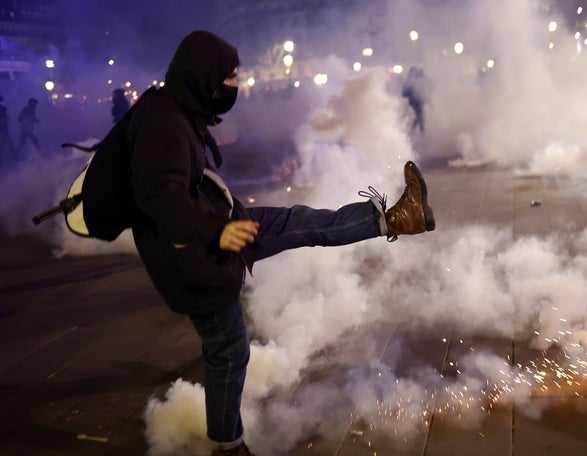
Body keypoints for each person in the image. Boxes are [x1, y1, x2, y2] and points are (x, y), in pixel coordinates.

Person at [128, 31, 435, 456]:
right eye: (230, 77)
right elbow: (159, 197)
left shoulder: (179, 110)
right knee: (228, 351)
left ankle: (398, 218)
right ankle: (228, 445)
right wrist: (212, 232)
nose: (236, 85)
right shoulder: (165, 124)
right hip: (197, 255)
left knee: (300, 222)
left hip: (224, 227)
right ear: (204, 76)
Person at [401, 66, 429, 133]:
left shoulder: (416, 79)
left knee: (420, 115)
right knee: (420, 115)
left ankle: (414, 129)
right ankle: (421, 130)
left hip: (418, 100)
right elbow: (404, 93)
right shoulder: (408, 81)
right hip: (414, 100)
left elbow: (425, 87)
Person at [0, 95, 13, 162]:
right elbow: (7, 118)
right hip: (3, 129)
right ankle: (13, 156)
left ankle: (13, 156)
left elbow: (7, 118)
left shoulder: (3, 108)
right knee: (7, 142)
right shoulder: (3, 108)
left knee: (7, 142)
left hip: (4, 129)